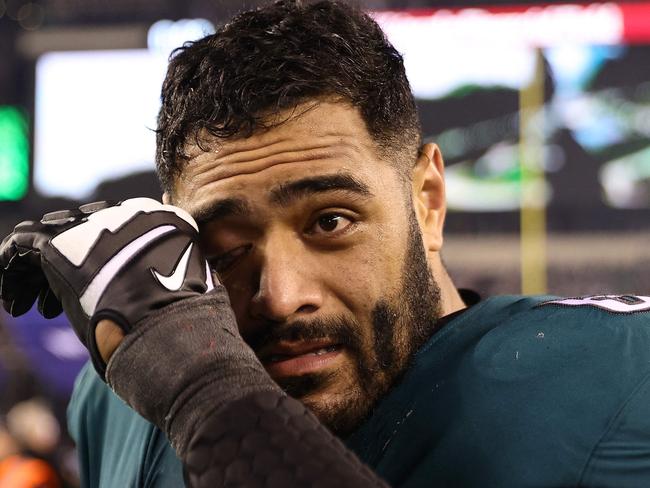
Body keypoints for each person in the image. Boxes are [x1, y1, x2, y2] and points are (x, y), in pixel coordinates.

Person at [3, 1, 650, 486]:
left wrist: (209, 396)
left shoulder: (622, 376)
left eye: (330, 222)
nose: (281, 298)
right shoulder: (120, 399)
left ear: (427, 199)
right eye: (225, 248)